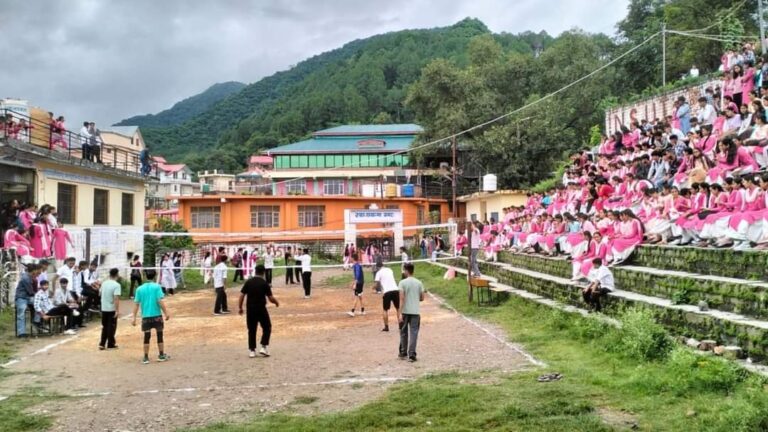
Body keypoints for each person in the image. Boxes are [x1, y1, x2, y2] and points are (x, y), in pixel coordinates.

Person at [238, 264, 279, 358]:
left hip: (250, 309)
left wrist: (240, 307)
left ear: (255, 271)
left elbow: (242, 295)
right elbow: (270, 298)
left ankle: (252, 350)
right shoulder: (264, 283)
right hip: (261, 309)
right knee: (267, 327)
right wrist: (276, 302)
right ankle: (263, 346)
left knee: (251, 329)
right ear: (263, 272)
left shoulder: (249, 282)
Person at [131, 270, 171, 364]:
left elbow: (136, 304)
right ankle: (161, 354)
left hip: (146, 316)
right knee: (159, 335)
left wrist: (134, 317)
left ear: (145, 276)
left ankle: (146, 357)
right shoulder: (157, 287)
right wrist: (166, 312)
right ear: (154, 276)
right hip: (157, 315)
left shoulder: (139, 289)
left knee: (147, 336)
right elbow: (160, 301)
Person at [398, 263, 424, 362]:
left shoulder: (402, 283)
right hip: (415, 311)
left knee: (403, 332)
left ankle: (403, 352)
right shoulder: (419, 283)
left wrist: (399, 312)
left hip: (405, 311)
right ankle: (412, 354)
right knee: (414, 333)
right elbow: (422, 298)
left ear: (406, 271)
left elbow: (402, 298)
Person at [15, 264, 41, 337]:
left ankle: (36, 321)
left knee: (39, 303)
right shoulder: (25, 278)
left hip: (28, 298)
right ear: (33, 270)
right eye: (36, 270)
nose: (37, 272)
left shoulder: (30, 277)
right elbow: (31, 292)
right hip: (21, 298)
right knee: (21, 313)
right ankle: (21, 333)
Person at [99, 268, 121, 350]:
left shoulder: (104, 283)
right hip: (111, 308)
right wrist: (117, 310)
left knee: (105, 326)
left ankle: (102, 343)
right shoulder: (117, 285)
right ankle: (110, 344)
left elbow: (100, 293)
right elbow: (116, 298)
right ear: (117, 274)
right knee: (111, 326)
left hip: (104, 307)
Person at [376, 263, 400, 332]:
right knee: (398, 308)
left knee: (385, 310)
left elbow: (377, 284)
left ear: (377, 267)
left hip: (387, 292)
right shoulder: (390, 270)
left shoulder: (378, 273)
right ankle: (401, 325)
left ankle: (386, 327)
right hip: (395, 290)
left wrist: (374, 287)